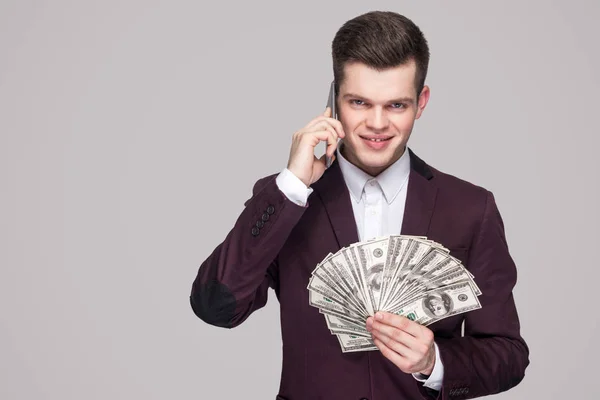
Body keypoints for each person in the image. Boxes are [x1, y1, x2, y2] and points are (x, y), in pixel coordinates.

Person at [190, 10, 529, 400]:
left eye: (396, 105)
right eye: (359, 102)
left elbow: (508, 355)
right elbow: (214, 306)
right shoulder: (287, 200)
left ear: (422, 102)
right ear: (334, 100)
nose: (377, 124)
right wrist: (290, 186)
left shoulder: (470, 207)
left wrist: (433, 362)